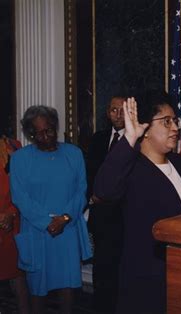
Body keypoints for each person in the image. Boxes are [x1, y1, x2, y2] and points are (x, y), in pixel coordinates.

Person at [93, 95, 181, 313]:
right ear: (145, 129)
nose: (175, 127)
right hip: (146, 278)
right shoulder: (131, 168)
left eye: (175, 120)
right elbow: (103, 190)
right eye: (166, 121)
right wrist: (129, 138)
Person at [9, 105, 92, 313]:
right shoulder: (20, 158)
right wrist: (47, 222)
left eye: (48, 130)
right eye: (37, 133)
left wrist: (64, 218)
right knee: (38, 288)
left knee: (68, 286)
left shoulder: (73, 154)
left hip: (67, 229)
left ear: (55, 127)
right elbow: (20, 196)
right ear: (30, 134)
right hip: (37, 231)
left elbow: (81, 190)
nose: (44, 136)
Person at [86, 96, 126, 313]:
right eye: (113, 110)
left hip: (125, 217)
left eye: (122, 110)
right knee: (101, 269)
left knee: (122, 270)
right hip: (101, 216)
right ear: (107, 113)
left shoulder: (137, 142)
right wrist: (93, 196)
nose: (117, 115)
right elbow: (90, 172)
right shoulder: (98, 139)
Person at [0, 133, 29, 314]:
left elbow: (24, 187)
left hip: (11, 222)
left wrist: (10, 213)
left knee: (18, 277)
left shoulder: (14, 146)